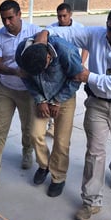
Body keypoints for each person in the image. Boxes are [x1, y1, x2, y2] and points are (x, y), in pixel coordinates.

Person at [35, 5, 111, 220]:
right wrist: (45, 33)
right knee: (94, 153)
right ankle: (90, 202)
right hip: (97, 104)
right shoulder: (95, 34)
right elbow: (67, 31)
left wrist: (89, 77)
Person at [0, 0, 42, 187]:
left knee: (28, 128)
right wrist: (15, 71)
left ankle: (27, 150)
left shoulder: (34, 32)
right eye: (3, 19)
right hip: (6, 89)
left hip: (28, 90)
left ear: (19, 14)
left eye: (10, 18)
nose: (7, 23)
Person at [15, 36, 83, 197]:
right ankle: (44, 165)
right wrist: (39, 100)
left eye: (43, 69)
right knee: (35, 134)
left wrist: (58, 100)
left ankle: (58, 177)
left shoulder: (66, 51)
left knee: (61, 141)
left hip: (64, 98)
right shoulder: (21, 52)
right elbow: (26, 78)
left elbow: (77, 78)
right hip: (40, 98)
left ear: (48, 56)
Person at [46, 3, 89, 137]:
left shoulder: (79, 28)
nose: (62, 19)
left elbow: (85, 47)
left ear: (70, 15)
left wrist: (81, 63)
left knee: (68, 92)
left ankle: (63, 123)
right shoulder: (51, 28)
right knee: (52, 95)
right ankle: (52, 125)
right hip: (56, 68)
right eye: (59, 16)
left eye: (64, 16)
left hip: (72, 67)